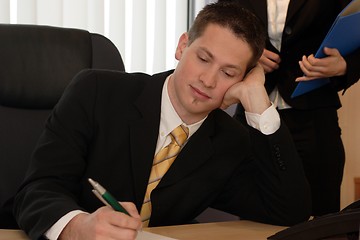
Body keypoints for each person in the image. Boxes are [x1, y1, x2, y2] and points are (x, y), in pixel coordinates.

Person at [13, 2, 311, 240]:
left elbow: (288, 212)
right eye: (203, 59)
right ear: (183, 46)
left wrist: (257, 100)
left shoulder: (230, 140)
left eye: (228, 73)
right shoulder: (96, 91)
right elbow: (38, 190)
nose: (207, 80)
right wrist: (77, 229)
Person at [219, 0, 360, 216]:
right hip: (251, 113)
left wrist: (346, 65)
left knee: (320, 215)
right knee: (253, 214)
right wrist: (248, 54)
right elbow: (219, 26)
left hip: (314, 118)